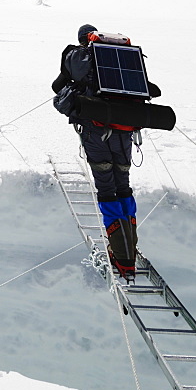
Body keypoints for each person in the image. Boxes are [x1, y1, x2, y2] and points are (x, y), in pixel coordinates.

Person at [52, 23, 161, 281]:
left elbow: (58, 86)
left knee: (106, 188)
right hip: (124, 130)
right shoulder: (123, 58)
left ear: (82, 40)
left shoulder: (79, 58)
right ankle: (128, 247)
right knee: (122, 185)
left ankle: (123, 259)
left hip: (96, 129)